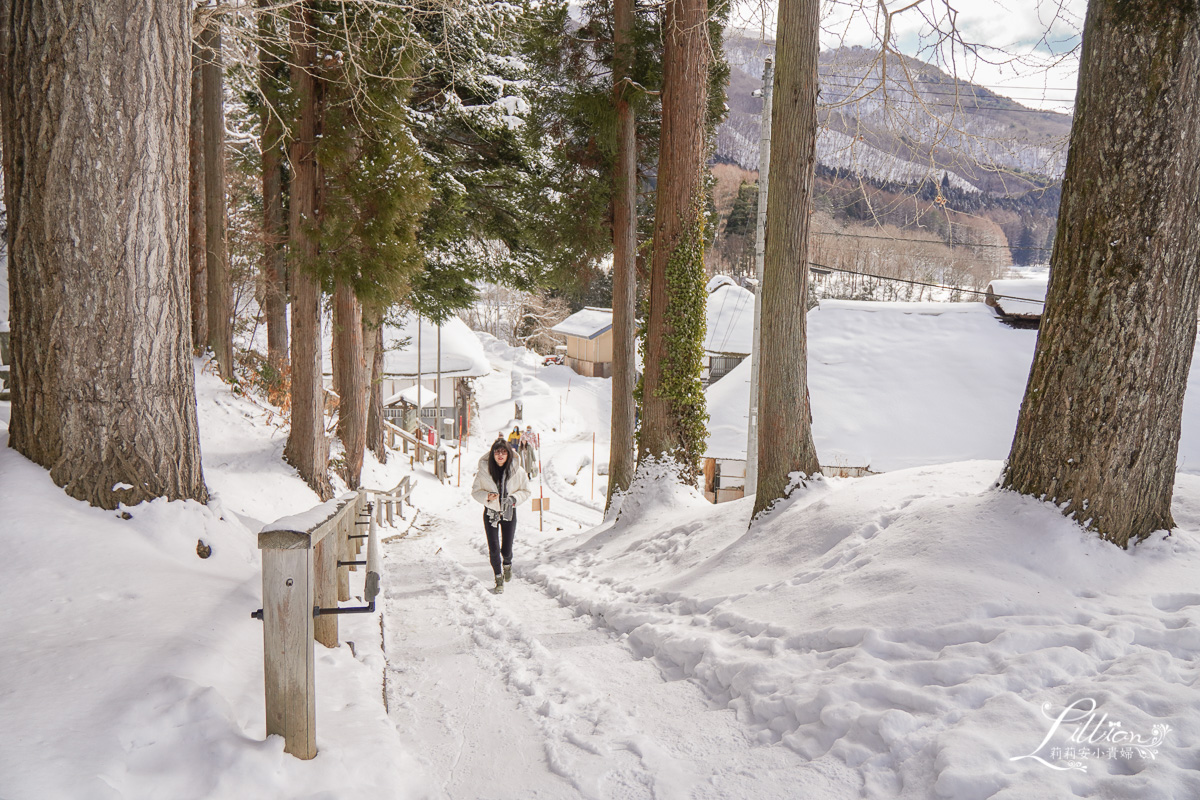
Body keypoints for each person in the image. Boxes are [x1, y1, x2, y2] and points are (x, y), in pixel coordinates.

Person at [471, 438, 531, 594]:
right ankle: (498, 578)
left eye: (504, 452)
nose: (500, 455)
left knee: (506, 548)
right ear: (492, 454)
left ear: (508, 454)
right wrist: (486, 497)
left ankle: (507, 563)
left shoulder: (518, 471)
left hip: (509, 512)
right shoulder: (484, 471)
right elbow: (475, 492)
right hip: (491, 513)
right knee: (493, 548)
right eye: (497, 452)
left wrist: (513, 499)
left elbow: (526, 491)